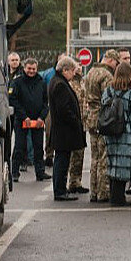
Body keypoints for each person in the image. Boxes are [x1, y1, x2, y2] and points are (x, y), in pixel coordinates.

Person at [101, 63, 131, 207]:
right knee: (124, 165)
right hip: (127, 133)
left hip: (111, 131)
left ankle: (114, 195)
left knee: (113, 163)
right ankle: (119, 198)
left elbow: (103, 108)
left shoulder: (108, 91)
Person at [82, 50, 120, 202]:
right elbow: (108, 98)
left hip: (91, 116)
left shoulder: (90, 72)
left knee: (94, 157)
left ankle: (93, 191)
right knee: (104, 157)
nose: (116, 66)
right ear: (110, 60)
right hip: (103, 118)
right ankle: (103, 192)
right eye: (116, 62)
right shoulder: (107, 75)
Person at [47, 56, 84, 201]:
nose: (74, 74)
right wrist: (76, 121)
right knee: (62, 162)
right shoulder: (60, 85)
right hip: (64, 131)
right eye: (73, 70)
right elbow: (64, 109)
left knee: (61, 161)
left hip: (61, 131)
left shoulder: (56, 81)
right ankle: (60, 191)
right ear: (65, 70)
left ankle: (60, 189)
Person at [9, 59, 50, 182]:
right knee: (19, 147)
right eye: (29, 69)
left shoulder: (41, 82)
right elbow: (13, 100)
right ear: (24, 68)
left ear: (37, 69)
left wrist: (41, 118)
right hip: (22, 120)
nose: (31, 71)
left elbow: (45, 102)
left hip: (37, 121)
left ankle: (40, 172)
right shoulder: (17, 82)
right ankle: (14, 173)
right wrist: (24, 117)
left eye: (33, 69)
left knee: (38, 148)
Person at [65, 65, 90, 195]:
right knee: (72, 154)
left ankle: (77, 181)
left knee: (80, 153)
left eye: (80, 67)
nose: (78, 69)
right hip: (72, 122)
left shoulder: (83, 82)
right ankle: (71, 181)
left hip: (82, 122)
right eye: (75, 67)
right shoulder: (68, 83)